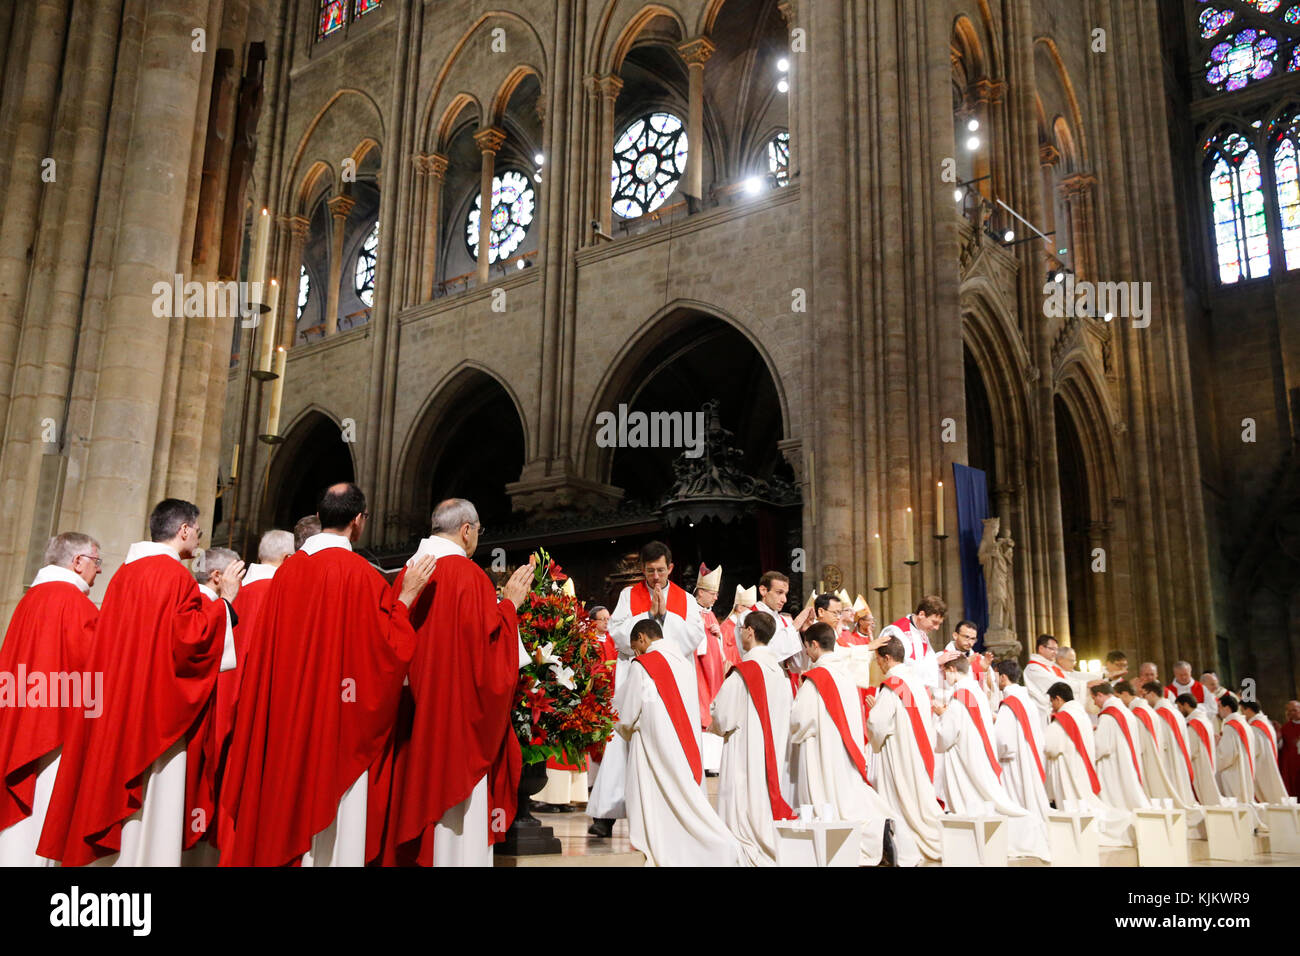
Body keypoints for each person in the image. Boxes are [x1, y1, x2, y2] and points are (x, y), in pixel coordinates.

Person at [218, 483, 435, 866]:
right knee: (337, 833)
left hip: (287, 721)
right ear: (358, 521)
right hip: (338, 726)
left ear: (320, 519)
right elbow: (385, 653)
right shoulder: (364, 578)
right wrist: (405, 599)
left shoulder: (287, 574)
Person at [38, 499, 242, 867]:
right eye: (196, 530)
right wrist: (226, 602)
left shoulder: (124, 575)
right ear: (183, 530)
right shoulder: (174, 575)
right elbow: (189, 643)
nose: (197, 537)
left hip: (116, 705)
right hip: (153, 714)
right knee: (153, 806)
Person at [376, 499, 534, 867]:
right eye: (478, 531)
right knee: (459, 830)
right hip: (458, 727)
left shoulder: (407, 574)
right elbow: (490, 663)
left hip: (413, 722)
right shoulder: (470, 577)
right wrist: (510, 605)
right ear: (466, 530)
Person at [588, 541, 705, 838]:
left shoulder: (686, 599)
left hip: (673, 684)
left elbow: (693, 637)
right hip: (637, 678)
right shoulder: (629, 595)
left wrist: (665, 618)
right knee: (623, 742)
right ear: (642, 569)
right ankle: (608, 814)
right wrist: (648, 619)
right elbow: (616, 632)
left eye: (661, 570)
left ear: (671, 568)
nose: (655, 577)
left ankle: (677, 809)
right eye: (650, 571)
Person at [0, 533, 101, 866]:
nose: (98, 572)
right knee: (40, 811)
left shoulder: (31, 598)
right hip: (53, 729)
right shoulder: (73, 603)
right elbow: (94, 665)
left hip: (21, 713)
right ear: (77, 562)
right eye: (96, 563)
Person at [790, 622, 919, 866]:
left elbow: (800, 720)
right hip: (846, 748)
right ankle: (878, 823)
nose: (807, 653)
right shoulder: (846, 675)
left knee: (832, 804)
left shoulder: (815, 678)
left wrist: (793, 730)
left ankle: (873, 829)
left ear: (814, 645)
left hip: (822, 750)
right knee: (849, 796)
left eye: (807, 647)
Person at [617, 619, 740, 866]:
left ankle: (713, 845)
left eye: (635, 647)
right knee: (683, 797)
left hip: (651, 747)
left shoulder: (643, 665)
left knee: (657, 799)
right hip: (684, 745)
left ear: (642, 638)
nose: (637, 653)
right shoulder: (684, 663)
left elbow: (628, 713)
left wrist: (620, 726)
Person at [932, 655, 1047, 862]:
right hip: (979, 754)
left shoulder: (961, 695)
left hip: (967, 759)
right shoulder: (976, 691)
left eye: (943, 672)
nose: (943, 677)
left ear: (951, 669)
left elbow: (946, 735)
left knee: (977, 803)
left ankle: (1022, 834)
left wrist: (941, 715)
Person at [709, 612, 793, 866]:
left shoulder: (744, 672)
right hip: (773, 754)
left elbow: (722, 717)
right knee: (764, 805)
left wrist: (715, 720)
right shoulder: (781, 675)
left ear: (750, 632)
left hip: (745, 753)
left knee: (742, 810)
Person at [864, 635, 942, 862]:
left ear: (886, 658)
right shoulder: (916, 683)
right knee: (917, 798)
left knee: (900, 801)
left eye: (878, 660)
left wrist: (874, 713)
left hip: (898, 753)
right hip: (917, 751)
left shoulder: (892, 686)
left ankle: (903, 846)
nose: (877, 665)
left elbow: (878, 724)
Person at [1043, 682, 1133, 845]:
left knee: (1076, 806)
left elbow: (1050, 746)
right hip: (1082, 766)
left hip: (1069, 768)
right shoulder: (1082, 714)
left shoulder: (1064, 717)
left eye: (1052, 701)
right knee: (1086, 801)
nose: (1052, 706)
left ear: (1058, 698)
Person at [992, 661, 1053, 836]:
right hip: (1029, 758)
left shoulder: (1009, 703)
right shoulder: (1027, 700)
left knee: (1018, 802)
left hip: (1013, 764)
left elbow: (1003, 741)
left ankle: (1023, 838)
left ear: (1003, 677)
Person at [1114, 681, 1192, 815]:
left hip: (1156, 757)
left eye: (1145, 694)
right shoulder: (1167, 711)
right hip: (1172, 756)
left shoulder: (1143, 713)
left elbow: (1140, 744)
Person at [1089, 682, 1150, 813]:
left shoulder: (1108, 715)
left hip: (1113, 765)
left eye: (1094, 698)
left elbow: (1100, 747)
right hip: (1126, 760)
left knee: (1116, 802)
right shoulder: (1125, 711)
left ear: (1100, 695)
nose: (1094, 703)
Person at [750, 570, 814, 689]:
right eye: (779, 592)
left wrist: (803, 632)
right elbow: (768, 654)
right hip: (761, 683)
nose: (784, 599)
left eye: (785, 594)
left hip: (784, 684)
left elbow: (799, 664)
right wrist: (796, 625)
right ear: (763, 590)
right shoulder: (748, 617)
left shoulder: (783, 621)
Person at [1143, 682, 1198, 812]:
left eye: (1145, 695)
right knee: (1181, 789)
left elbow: (1161, 742)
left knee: (1172, 796)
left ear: (1152, 694)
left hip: (1169, 759)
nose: (1144, 699)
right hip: (1180, 758)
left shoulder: (1159, 714)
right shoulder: (1176, 712)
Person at [693, 563, 727, 775]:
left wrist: (718, 634)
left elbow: (719, 646)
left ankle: (713, 762)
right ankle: (703, 762)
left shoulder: (710, 614)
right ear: (702, 592)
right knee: (701, 711)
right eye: (712, 593)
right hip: (698, 672)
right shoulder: (691, 611)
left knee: (713, 710)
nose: (715, 598)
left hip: (713, 674)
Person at [876, 596, 945, 693]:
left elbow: (929, 659)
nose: (936, 628)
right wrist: (936, 661)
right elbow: (897, 666)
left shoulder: (922, 634)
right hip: (896, 690)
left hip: (915, 691)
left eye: (939, 624)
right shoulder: (896, 631)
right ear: (921, 614)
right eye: (934, 622)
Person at [1176, 693, 1223, 806]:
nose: (1179, 710)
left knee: (1203, 800)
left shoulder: (1194, 724)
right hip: (1207, 763)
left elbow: (1190, 750)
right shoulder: (1205, 720)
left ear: (1186, 705)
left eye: (1179, 707)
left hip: (1198, 766)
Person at [1240, 700, 1287, 804]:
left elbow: (1253, 751)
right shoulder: (1265, 723)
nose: (1242, 714)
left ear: (1248, 710)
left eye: (1242, 710)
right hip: (1267, 763)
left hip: (1261, 767)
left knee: (1268, 800)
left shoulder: (1255, 728)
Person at [1216, 694, 1256, 805]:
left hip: (1234, 774)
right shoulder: (1244, 724)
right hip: (1244, 769)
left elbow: (1226, 756)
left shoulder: (1230, 727)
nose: (1218, 710)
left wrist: (1216, 746)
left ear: (1227, 708)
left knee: (1236, 807)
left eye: (1219, 706)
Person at [1024, 634, 1067, 727]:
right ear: (1041, 648)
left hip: (1053, 711)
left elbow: (1068, 678)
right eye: (1052, 649)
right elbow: (1057, 683)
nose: (1055, 652)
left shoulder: (1051, 667)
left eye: (1056, 649)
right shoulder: (1033, 668)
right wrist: (1082, 685)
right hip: (1042, 714)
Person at [718, 585, 754, 667]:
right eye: (750, 608)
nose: (752, 612)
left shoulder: (745, 627)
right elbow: (726, 655)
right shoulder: (727, 627)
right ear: (740, 608)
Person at [1282, 700, 1300, 797]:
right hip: (1292, 766)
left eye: (1294, 710)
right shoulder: (1285, 728)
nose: (1291, 713)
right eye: (1289, 711)